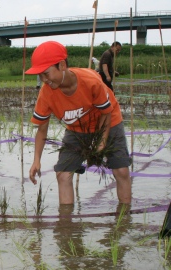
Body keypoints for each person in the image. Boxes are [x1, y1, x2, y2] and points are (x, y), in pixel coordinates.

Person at [26, 41, 131, 205]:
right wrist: (36, 160)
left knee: (121, 170)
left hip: (109, 122)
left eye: (46, 73)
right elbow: (42, 130)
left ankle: (125, 220)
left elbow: (106, 113)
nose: (44, 79)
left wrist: (101, 144)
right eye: (40, 76)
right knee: (63, 173)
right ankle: (66, 226)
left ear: (61, 65)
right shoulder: (46, 94)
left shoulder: (90, 82)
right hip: (77, 129)